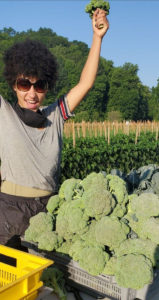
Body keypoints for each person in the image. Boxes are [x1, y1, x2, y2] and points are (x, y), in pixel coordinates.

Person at [0, 9, 109, 249]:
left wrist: (97, 38)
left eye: (39, 85)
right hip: (10, 211)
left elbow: (86, 83)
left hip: (49, 209)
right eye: (24, 84)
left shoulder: (56, 115)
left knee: (47, 281)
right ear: (14, 85)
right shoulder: (4, 113)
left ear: (46, 87)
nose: (31, 92)